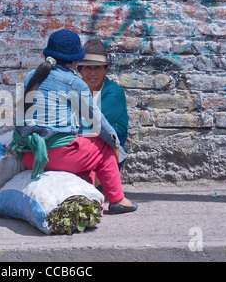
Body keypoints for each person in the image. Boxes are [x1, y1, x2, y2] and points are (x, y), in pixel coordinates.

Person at [8, 29, 137, 214]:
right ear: (76, 62)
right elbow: (98, 123)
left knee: (84, 152)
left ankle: (88, 196)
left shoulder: (31, 76)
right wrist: (114, 142)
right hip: (59, 156)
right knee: (103, 147)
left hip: (31, 155)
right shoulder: (73, 83)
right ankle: (118, 199)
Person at [77, 39, 130, 169]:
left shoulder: (114, 93)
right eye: (88, 68)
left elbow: (93, 126)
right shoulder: (76, 89)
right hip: (81, 143)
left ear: (106, 69)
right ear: (80, 70)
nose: (92, 73)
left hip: (109, 149)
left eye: (98, 68)